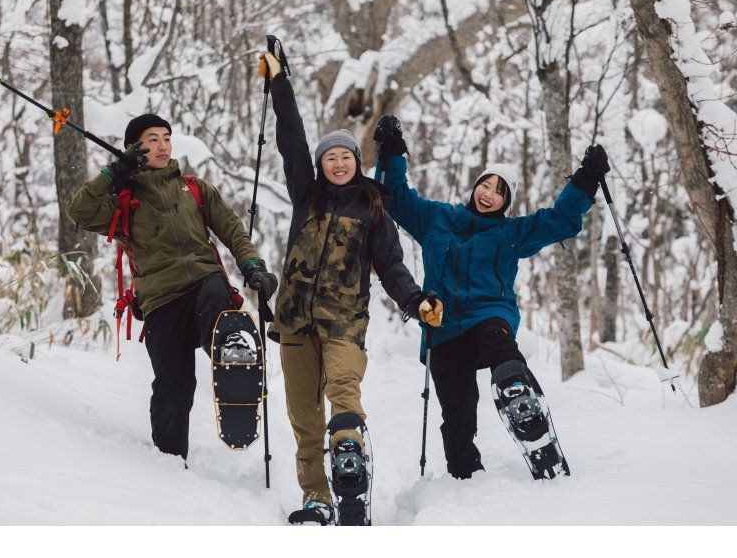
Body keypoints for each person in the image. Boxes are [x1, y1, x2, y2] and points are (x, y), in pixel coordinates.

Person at [257, 52, 443, 524]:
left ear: (356, 163)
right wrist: (281, 82)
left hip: (344, 323)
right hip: (295, 320)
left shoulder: (373, 207)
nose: (338, 163)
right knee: (303, 415)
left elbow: (392, 265)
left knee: (343, 391)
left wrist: (416, 299)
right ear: (321, 166)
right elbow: (291, 139)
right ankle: (317, 497)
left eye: (345, 157)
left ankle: (350, 468)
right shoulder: (307, 195)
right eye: (330, 158)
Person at [372, 114, 609, 480]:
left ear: (505, 202)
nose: (490, 194)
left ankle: (521, 399)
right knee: (458, 413)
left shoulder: (511, 232)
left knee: (500, 346)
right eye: (486, 185)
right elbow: (396, 198)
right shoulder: (436, 218)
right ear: (475, 186)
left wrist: (586, 179)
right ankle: (465, 475)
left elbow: (559, 219)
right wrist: (390, 152)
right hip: (443, 325)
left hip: (489, 316)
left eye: (500, 191)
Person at [66, 113, 278, 466]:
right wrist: (111, 175)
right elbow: (78, 211)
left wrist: (252, 265)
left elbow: (232, 229)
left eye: (166, 137)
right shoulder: (122, 200)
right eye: (152, 139)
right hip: (162, 302)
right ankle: (168, 465)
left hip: (204, 285)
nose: (163, 145)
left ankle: (231, 353)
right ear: (134, 147)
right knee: (173, 390)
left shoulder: (194, 188)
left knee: (215, 297)